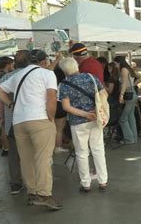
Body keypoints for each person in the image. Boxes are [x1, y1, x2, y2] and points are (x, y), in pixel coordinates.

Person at [0, 49, 62, 210]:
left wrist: (10, 104)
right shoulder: (47, 74)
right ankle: (44, 194)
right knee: (42, 158)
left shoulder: (17, 75)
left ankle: (32, 193)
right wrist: (51, 118)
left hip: (19, 121)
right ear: (44, 61)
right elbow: (51, 98)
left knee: (26, 159)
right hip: (39, 119)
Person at [58, 57, 108, 193]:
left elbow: (66, 107)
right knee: (98, 150)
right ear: (77, 66)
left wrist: (84, 114)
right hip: (95, 119)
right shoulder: (91, 77)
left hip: (77, 123)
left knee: (81, 153)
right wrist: (96, 110)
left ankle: (86, 184)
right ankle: (103, 181)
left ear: (64, 71)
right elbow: (104, 94)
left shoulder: (64, 84)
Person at [0, 55, 23, 195]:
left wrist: (3, 116)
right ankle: (34, 183)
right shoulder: (34, 75)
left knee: (13, 154)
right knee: (30, 153)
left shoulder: (4, 79)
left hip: (12, 121)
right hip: (28, 120)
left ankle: (16, 184)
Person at [114, 56, 141, 144]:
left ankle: (129, 139)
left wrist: (121, 95)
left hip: (128, 94)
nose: (115, 65)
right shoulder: (129, 69)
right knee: (131, 117)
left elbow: (124, 83)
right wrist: (134, 84)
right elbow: (140, 77)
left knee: (123, 119)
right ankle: (133, 138)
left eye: (115, 63)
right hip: (132, 93)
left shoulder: (123, 70)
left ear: (119, 62)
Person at [0, 56, 14, 156]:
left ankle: (6, 148)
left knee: (4, 127)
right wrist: (1, 114)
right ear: (8, 64)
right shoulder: (4, 77)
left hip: (1, 103)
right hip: (3, 103)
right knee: (5, 127)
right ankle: (6, 148)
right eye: (11, 64)